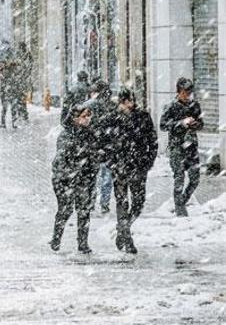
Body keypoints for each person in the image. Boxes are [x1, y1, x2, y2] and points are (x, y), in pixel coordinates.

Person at [110, 88, 158, 253]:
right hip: (120, 167)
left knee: (138, 202)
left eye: (130, 101)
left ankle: (123, 229)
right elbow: (104, 141)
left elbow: (152, 140)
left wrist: (149, 161)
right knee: (122, 202)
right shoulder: (113, 118)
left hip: (138, 166)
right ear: (120, 102)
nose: (128, 105)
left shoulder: (142, 116)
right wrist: (112, 162)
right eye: (125, 102)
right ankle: (127, 238)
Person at [50, 104, 98, 254]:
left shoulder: (89, 134)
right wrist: (73, 173)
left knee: (84, 211)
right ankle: (56, 240)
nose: (87, 119)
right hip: (66, 180)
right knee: (65, 210)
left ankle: (83, 244)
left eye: (88, 116)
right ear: (75, 118)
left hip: (84, 179)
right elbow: (62, 159)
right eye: (84, 116)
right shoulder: (66, 135)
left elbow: (94, 155)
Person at [160, 77, 204, 217]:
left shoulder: (194, 105)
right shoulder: (171, 106)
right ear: (179, 91)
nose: (187, 95)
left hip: (191, 147)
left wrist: (195, 124)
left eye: (189, 92)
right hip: (177, 147)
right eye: (185, 92)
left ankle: (182, 201)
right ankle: (180, 210)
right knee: (179, 178)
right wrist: (181, 123)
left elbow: (201, 123)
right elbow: (163, 125)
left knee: (195, 179)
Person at [90, 81, 117, 213]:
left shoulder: (90, 105)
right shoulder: (112, 106)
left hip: (94, 144)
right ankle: (104, 203)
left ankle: (91, 202)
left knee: (93, 176)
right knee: (106, 176)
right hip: (107, 145)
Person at [0, 40, 18, 129]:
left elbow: (16, 66)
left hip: (11, 85)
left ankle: (13, 122)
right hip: (5, 85)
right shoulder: (1, 56)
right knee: (5, 106)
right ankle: (3, 122)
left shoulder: (12, 56)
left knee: (13, 105)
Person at [14, 42, 33, 122]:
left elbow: (29, 66)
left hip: (22, 80)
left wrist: (23, 74)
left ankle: (23, 114)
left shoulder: (26, 55)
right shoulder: (20, 55)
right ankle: (22, 114)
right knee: (20, 98)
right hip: (21, 80)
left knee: (21, 98)